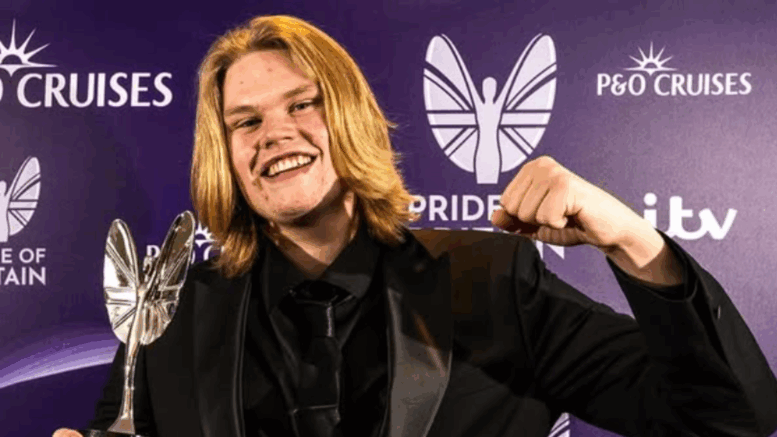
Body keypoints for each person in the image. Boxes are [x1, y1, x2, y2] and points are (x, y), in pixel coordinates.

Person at [55, 15, 777, 437]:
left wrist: (632, 240)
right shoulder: (171, 309)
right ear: (226, 154)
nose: (273, 132)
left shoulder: (496, 283)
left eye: (301, 104)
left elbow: (729, 417)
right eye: (245, 120)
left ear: (352, 119)